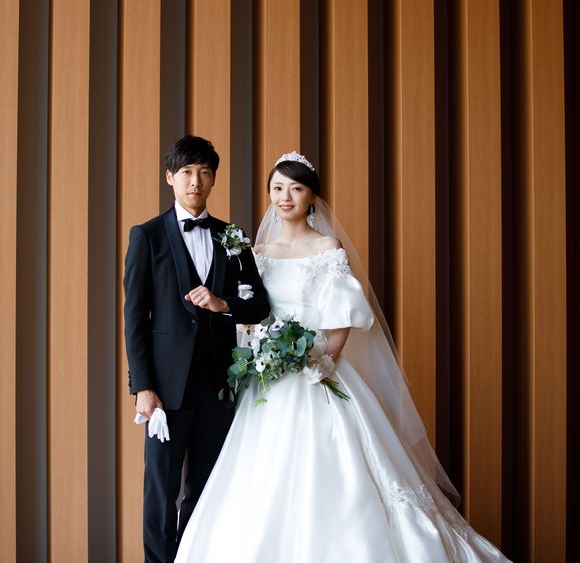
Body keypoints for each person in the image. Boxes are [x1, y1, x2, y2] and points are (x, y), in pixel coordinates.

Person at [174, 151, 511, 562]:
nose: (285, 197)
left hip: (316, 369)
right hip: (268, 377)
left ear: (312, 197)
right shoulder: (257, 252)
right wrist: (257, 346)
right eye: (277, 188)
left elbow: (342, 317)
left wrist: (322, 361)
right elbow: (250, 313)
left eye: (296, 188)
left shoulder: (326, 247)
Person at [123, 135, 270, 563]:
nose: (195, 181)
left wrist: (224, 304)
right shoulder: (147, 236)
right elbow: (135, 319)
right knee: (160, 489)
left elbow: (260, 305)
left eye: (204, 172)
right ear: (170, 177)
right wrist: (143, 387)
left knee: (205, 488)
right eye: (186, 172)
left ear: (214, 179)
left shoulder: (232, 236)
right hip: (166, 389)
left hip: (219, 385)